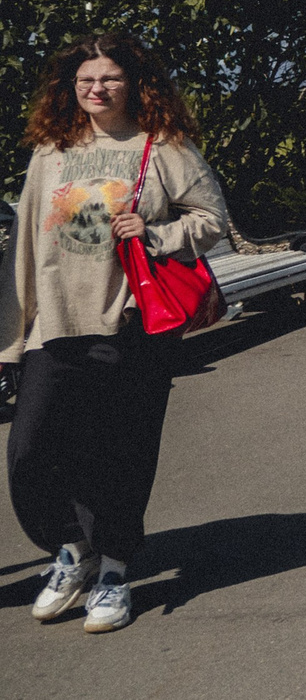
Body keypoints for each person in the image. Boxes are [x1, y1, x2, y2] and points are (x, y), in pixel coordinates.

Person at [8, 33, 232, 635]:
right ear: (69, 86)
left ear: (133, 83)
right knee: (30, 452)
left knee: (118, 455)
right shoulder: (52, 149)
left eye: (109, 78)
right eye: (86, 80)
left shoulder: (162, 146)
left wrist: (156, 234)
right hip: (54, 326)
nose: (96, 89)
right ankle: (72, 551)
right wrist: (16, 329)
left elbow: (212, 220)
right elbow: (26, 242)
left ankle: (113, 570)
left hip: (130, 323)